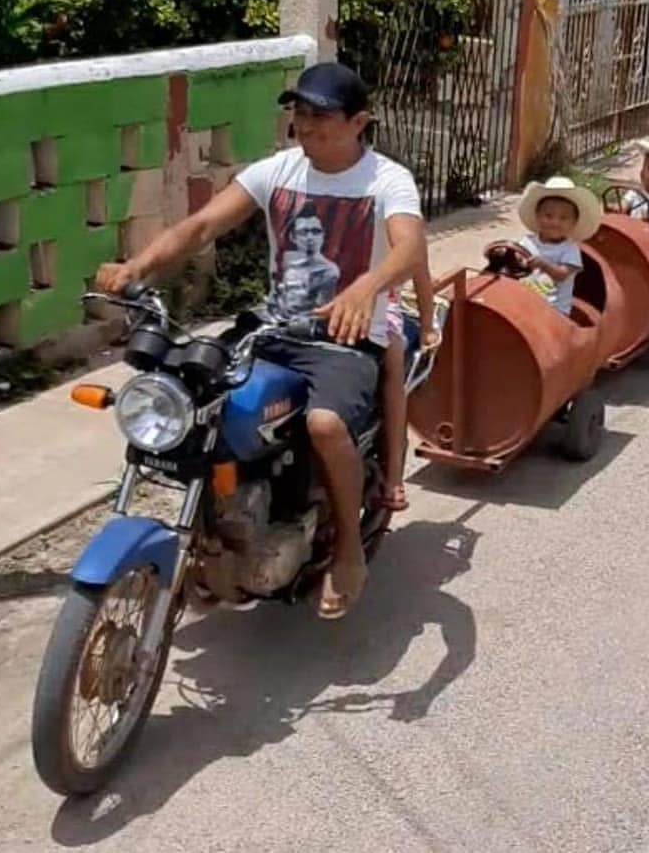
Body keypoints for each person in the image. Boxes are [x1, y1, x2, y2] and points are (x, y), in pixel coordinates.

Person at [94, 61, 429, 620]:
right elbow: (201, 227)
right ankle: (215, 527)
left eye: (320, 114)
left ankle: (348, 552)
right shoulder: (277, 171)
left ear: (359, 121)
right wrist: (138, 267)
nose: (306, 124)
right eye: (299, 112)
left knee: (325, 424)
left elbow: (407, 247)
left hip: (346, 338)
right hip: (273, 327)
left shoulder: (386, 180)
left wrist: (365, 288)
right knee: (195, 400)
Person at [379, 267, 437, 513]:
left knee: (391, 356)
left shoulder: (391, 230)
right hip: (317, 309)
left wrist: (426, 327)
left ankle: (393, 476)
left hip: (380, 310)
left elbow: (419, 270)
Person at [514, 175, 602, 315]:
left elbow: (562, 275)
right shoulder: (527, 242)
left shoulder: (570, 249)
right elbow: (516, 257)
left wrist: (543, 265)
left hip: (555, 311)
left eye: (563, 218)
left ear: (573, 223)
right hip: (526, 303)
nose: (555, 222)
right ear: (537, 216)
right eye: (548, 216)